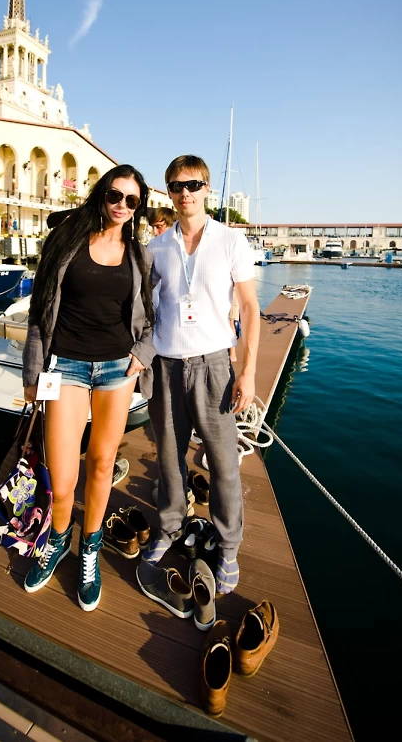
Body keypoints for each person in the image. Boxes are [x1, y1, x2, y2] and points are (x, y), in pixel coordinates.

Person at [22, 165, 156, 611]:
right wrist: (32, 375)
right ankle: (58, 540)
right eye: (115, 195)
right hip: (66, 367)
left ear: (138, 207)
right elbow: (40, 311)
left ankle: (90, 549)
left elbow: (154, 316)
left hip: (118, 369)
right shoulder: (65, 241)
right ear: (102, 194)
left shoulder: (139, 256)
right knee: (62, 479)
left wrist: (143, 353)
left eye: (131, 200)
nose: (121, 205)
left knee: (101, 465)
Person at [141, 154, 260, 596]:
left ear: (207, 188)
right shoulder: (157, 247)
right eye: (176, 186)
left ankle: (228, 546)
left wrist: (247, 372)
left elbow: (250, 308)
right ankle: (171, 526)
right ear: (169, 192)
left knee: (224, 463)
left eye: (192, 184)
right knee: (169, 458)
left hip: (213, 366)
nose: (184, 193)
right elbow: (143, 309)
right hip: (166, 365)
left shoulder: (231, 241)